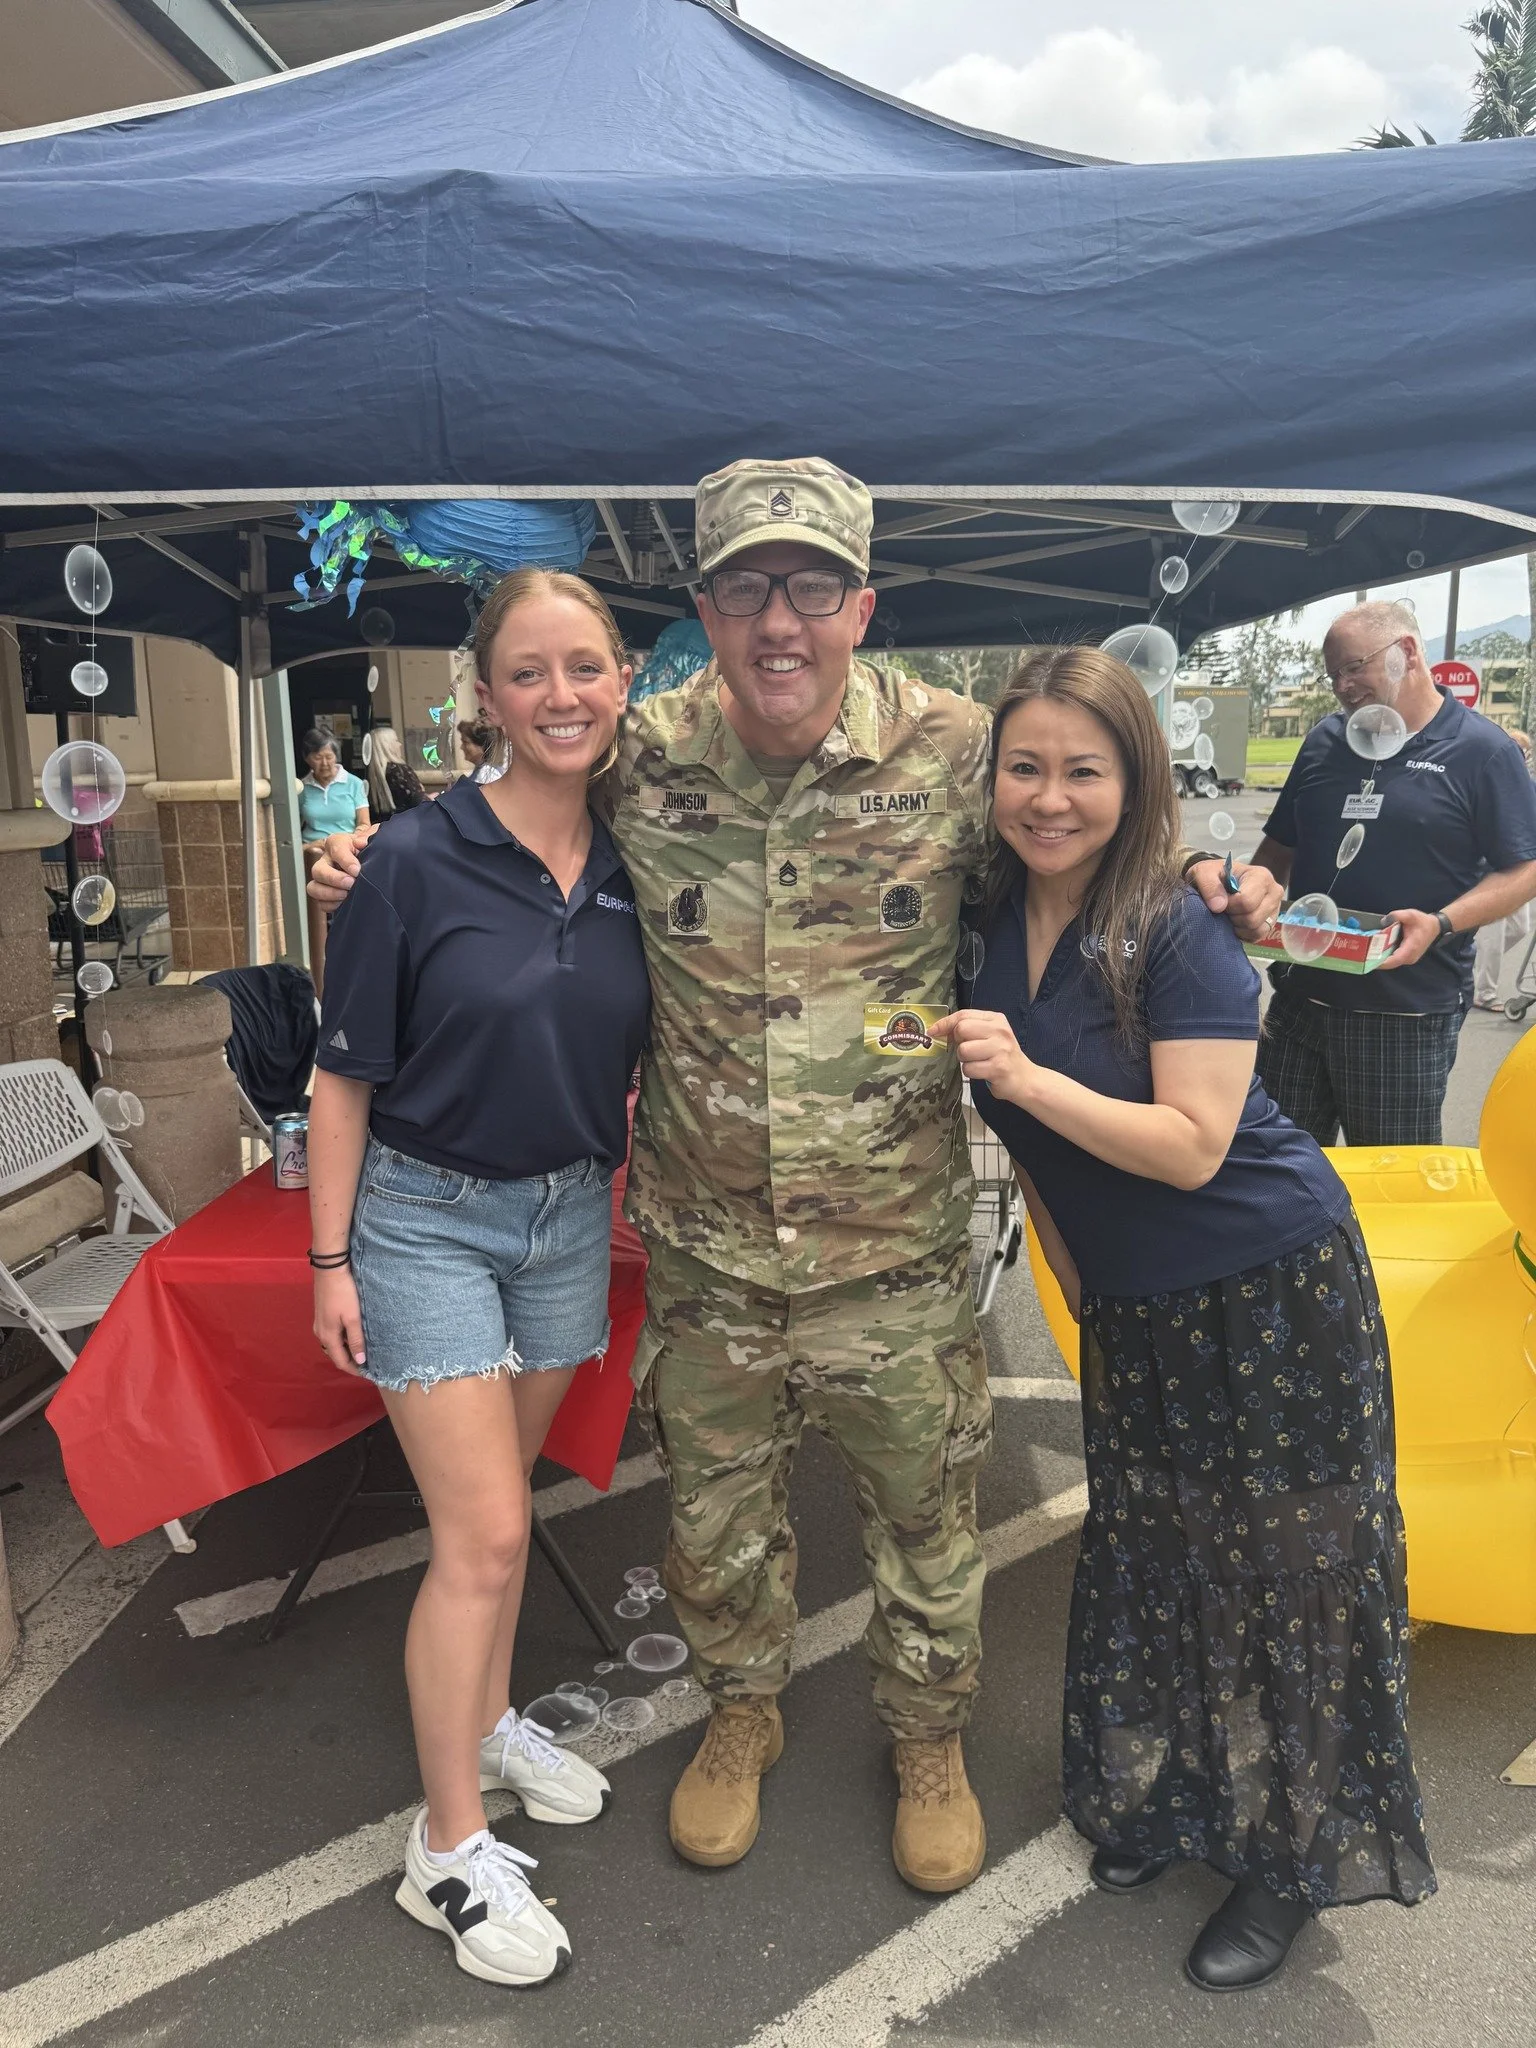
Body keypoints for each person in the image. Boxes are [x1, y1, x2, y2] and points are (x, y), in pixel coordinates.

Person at [309, 457, 1283, 1896]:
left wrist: (1210, 880)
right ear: (706, 603)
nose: (782, 621)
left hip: (893, 1250)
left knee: (927, 1523)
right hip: (708, 1253)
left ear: (862, 603)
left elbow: (1078, 830)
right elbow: (515, 803)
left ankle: (929, 1739)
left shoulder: (959, 752)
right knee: (714, 1524)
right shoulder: (642, 753)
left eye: (813, 587)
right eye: (750, 586)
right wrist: (379, 854)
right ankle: (740, 1714)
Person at [941, 644, 1434, 1993]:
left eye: (1082, 770)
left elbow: (1195, 1147)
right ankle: (1166, 1800)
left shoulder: (1180, 924)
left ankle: (1288, 1861)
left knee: (1288, 1571)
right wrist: (1076, 1275)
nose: (1050, 797)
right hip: (1140, 1307)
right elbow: (1037, 1155)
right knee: (1160, 1550)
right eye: (1025, 767)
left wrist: (1030, 1080)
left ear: (1135, 779)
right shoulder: (985, 923)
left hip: (1268, 1280)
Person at [306, 569, 650, 1987]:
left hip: (570, 1217)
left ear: (625, 679)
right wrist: (329, 1255)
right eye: (529, 672)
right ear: (484, 696)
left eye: (586, 667)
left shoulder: (649, 851)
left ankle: (494, 1719)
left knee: (506, 1517)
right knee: (487, 1538)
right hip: (426, 1222)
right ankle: (444, 1847)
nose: (561, 696)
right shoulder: (410, 859)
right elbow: (341, 1076)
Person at [1251, 601, 1536, 1145]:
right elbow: (1279, 846)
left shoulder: (1482, 751)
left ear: (1407, 652)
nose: (1342, 684)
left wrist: (1442, 922)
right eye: (1333, 672)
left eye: (1354, 666)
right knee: (1275, 1170)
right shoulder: (1324, 742)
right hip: (1297, 1002)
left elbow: (1524, 869)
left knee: (1387, 1180)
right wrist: (1247, 897)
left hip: (1402, 1013)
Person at [298, 729, 370, 997]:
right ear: (308, 759)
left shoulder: (352, 783)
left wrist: (342, 841)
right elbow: (292, 829)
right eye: (318, 757)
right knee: (316, 918)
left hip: (345, 853)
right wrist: (311, 846)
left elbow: (363, 824)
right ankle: (319, 977)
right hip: (312, 854)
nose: (325, 763)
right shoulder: (302, 788)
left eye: (328, 756)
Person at [1473, 729, 1535, 1009]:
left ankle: (1470, 961)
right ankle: (1484, 993)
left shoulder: (1525, 783)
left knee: (1520, 927)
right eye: (1520, 749)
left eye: (1526, 751)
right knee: (1492, 936)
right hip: (1491, 870)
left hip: (1518, 868)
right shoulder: (1490, 778)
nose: (1524, 755)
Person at [365, 724, 428, 820]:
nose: (400, 744)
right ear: (388, 746)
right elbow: (418, 801)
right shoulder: (401, 771)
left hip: (382, 826)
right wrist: (427, 796)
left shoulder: (372, 776)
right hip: (406, 824)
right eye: (396, 741)